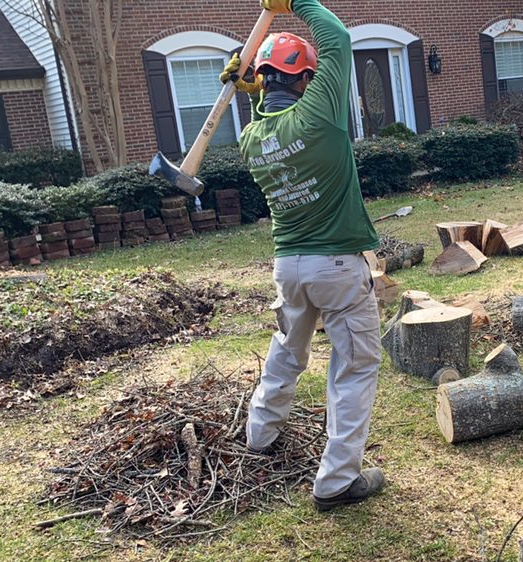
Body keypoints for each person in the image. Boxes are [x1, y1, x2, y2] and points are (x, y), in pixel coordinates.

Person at [220, 0, 383, 512]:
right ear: (308, 80)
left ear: (264, 80)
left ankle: (259, 435)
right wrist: (300, 3)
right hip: (335, 263)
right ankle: (336, 481)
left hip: (287, 265)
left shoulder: (251, 138)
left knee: (288, 350)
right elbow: (335, 36)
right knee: (353, 367)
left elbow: (267, 119)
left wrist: (247, 92)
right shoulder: (319, 115)